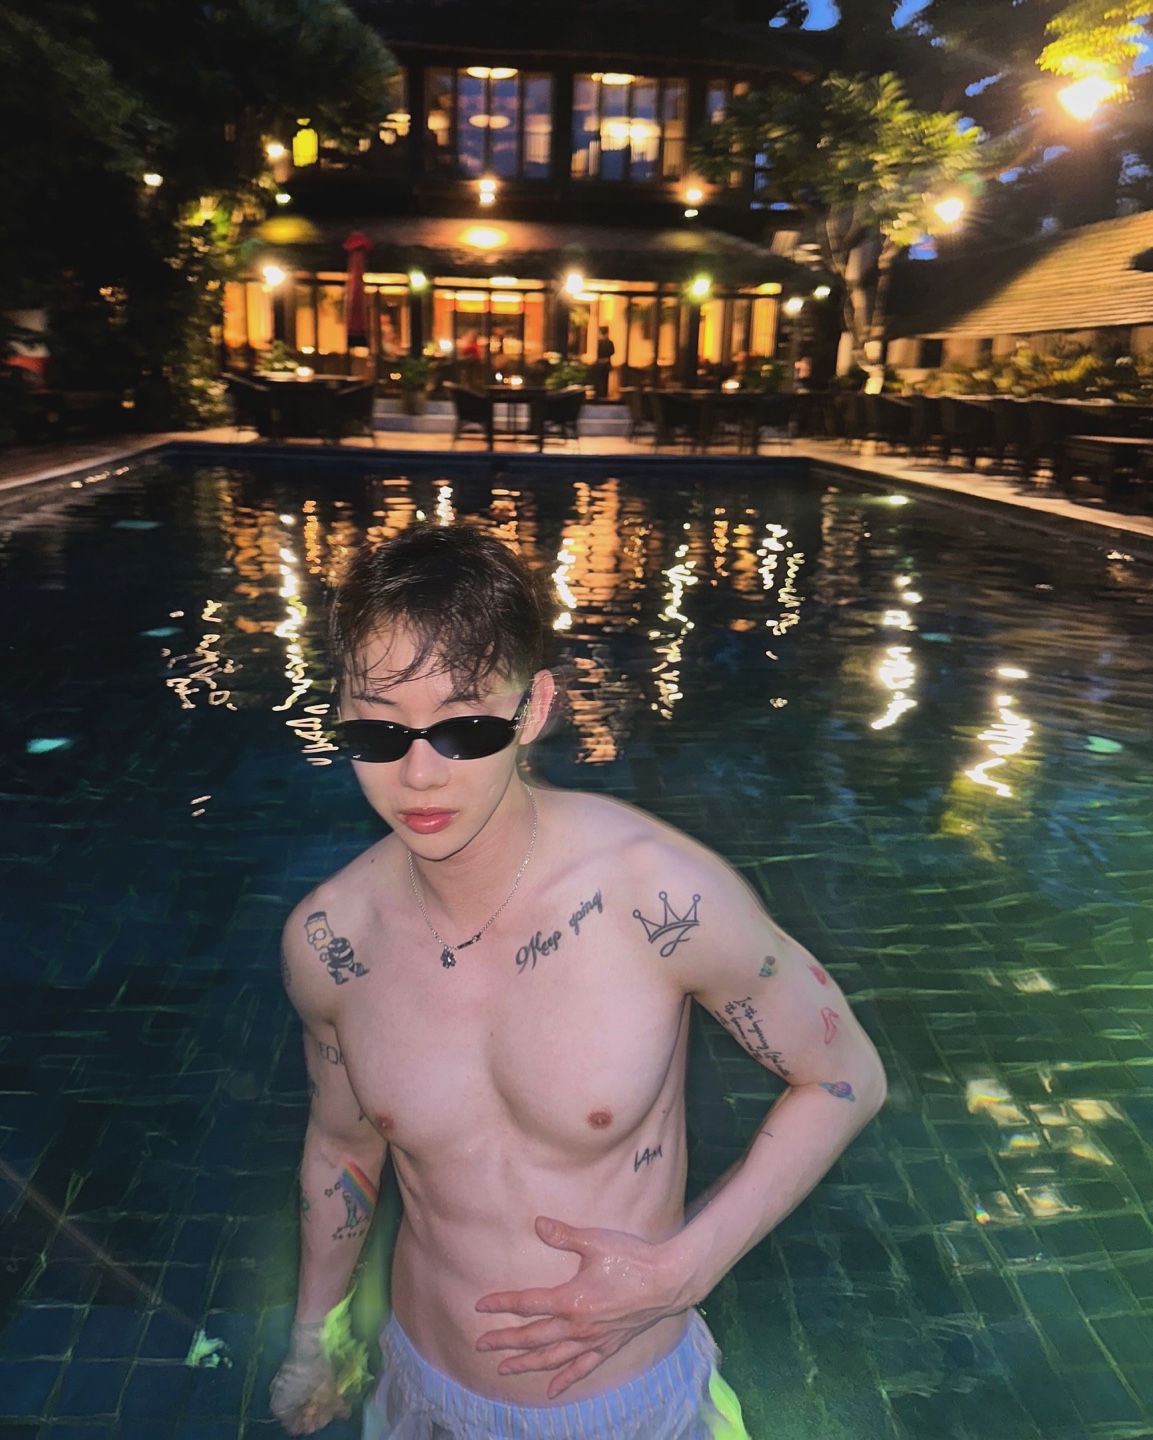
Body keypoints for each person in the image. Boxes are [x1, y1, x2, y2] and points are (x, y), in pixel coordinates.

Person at [270, 523, 886, 1439]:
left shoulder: (658, 896)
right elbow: (342, 1147)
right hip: (419, 1391)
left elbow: (844, 1078)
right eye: (379, 729)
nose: (418, 772)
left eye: (465, 726)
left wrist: (687, 1270)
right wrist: (314, 1335)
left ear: (534, 709)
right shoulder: (331, 941)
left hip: (623, 1407)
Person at [593, 326, 615, 398]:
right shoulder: (609, 342)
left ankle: (600, 393)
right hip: (606, 362)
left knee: (600, 378)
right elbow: (612, 351)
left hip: (601, 362)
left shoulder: (600, 342)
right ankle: (603, 393)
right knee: (605, 379)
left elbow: (598, 352)